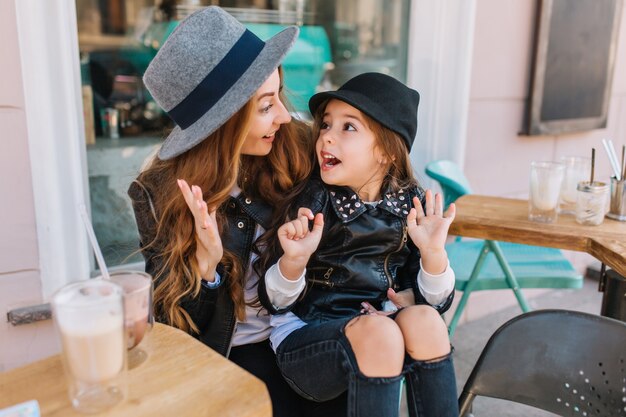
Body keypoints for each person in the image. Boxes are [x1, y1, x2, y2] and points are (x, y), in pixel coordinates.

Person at [127, 7, 332, 416]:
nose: (282, 115)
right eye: (264, 106)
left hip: (300, 336)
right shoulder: (158, 193)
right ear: (222, 123)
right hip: (224, 355)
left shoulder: (297, 146)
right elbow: (174, 330)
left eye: (278, 97)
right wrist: (207, 268)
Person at [257, 72, 460, 417]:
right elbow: (275, 303)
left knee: (426, 320)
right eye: (325, 125)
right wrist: (293, 262)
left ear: (386, 153)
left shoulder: (409, 206)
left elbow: (434, 301)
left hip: (379, 337)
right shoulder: (313, 202)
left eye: (347, 128)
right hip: (308, 343)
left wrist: (432, 254)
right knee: (381, 331)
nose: (326, 138)